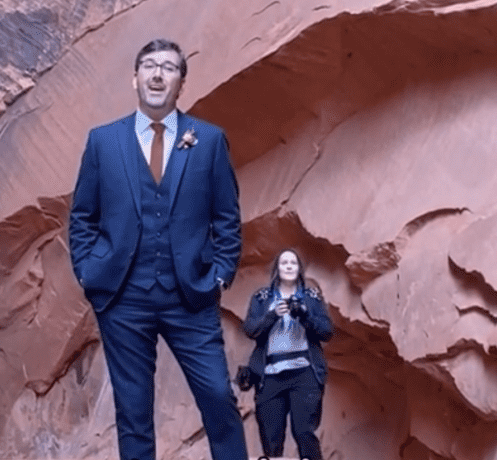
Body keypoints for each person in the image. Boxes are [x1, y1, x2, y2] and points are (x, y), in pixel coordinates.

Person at [69, 39, 246, 460]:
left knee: (219, 398)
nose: (157, 74)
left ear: (181, 83)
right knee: (133, 415)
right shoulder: (102, 141)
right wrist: (88, 273)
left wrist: (219, 274)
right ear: (134, 79)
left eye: (168, 67)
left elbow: (227, 218)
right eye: (148, 65)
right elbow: (81, 217)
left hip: (191, 297)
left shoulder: (208, 139)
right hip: (122, 301)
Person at [242, 249, 333, 460]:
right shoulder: (262, 297)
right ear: (277, 269)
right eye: (284, 263)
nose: (289, 266)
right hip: (270, 374)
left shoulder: (311, 297)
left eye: (293, 262)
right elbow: (250, 329)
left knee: (304, 432)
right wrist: (273, 315)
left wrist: (304, 314)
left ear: (300, 268)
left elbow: (327, 331)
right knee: (271, 439)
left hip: (304, 373)